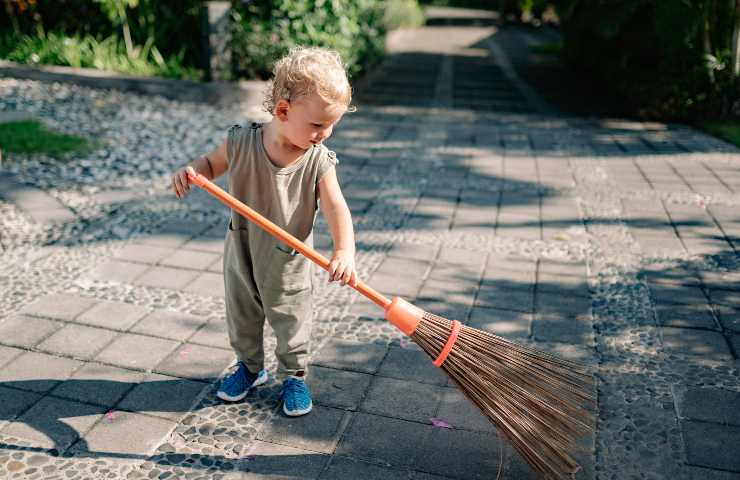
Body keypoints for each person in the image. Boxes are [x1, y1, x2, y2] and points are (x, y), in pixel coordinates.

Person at [171, 46, 357, 417]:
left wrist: (344, 251)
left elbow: (337, 207)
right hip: (241, 250)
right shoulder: (241, 142)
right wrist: (191, 172)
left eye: (331, 124)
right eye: (318, 124)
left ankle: (294, 375)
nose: (326, 133)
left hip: (288, 260)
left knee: (291, 319)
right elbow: (210, 163)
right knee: (242, 314)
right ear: (283, 111)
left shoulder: (317, 160)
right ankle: (250, 367)